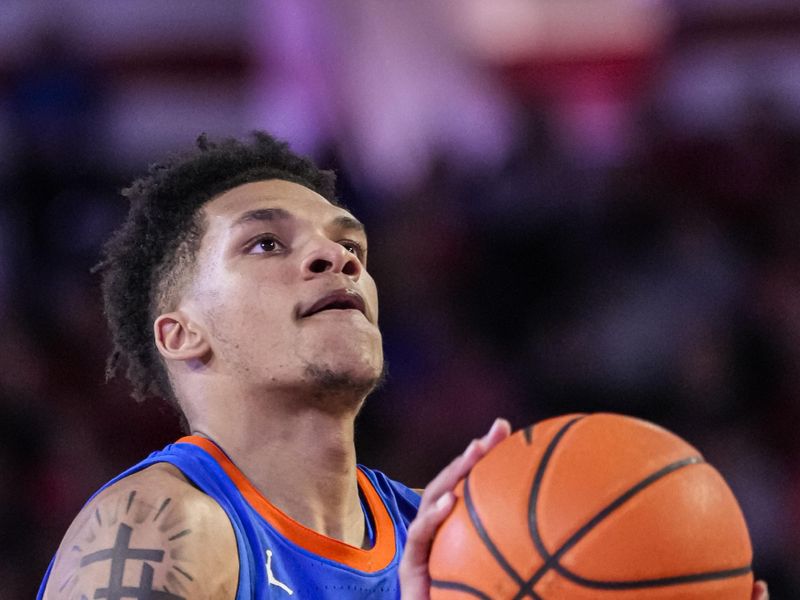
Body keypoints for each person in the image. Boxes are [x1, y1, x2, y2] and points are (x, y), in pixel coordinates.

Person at [38, 133, 767, 600]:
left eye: (349, 240)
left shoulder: (467, 539)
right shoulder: (159, 531)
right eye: (266, 244)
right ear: (180, 333)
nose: (338, 256)